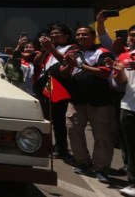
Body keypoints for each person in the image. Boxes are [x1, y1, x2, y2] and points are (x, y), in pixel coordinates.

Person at [61, 26, 115, 183]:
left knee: (102, 137)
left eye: (85, 34)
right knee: (73, 130)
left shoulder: (102, 52)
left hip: (100, 103)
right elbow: (64, 73)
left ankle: (101, 168)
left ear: (93, 36)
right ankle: (83, 163)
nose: (80, 37)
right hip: (76, 102)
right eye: (78, 34)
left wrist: (79, 65)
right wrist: (70, 63)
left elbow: (104, 73)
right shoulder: (73, 53)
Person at [35, 23, 75, 160]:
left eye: (56, 32)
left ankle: (61, 148)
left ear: (66, 35)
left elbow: (65, 62)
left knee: (58, 119)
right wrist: (44, 49)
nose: (53, 35)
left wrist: (51, 48)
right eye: (51, 33)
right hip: (47, 84)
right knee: (45, 118)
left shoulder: (72, 48)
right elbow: (37, 62)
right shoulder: (51, 49)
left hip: (60, 86)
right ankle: (46, 144)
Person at [111, 40, 135, 196]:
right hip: (129, 107)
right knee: (131, 148)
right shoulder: (125, 56)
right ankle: (133, 184)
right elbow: (121, 83)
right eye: (132, 35)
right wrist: (119, 71)